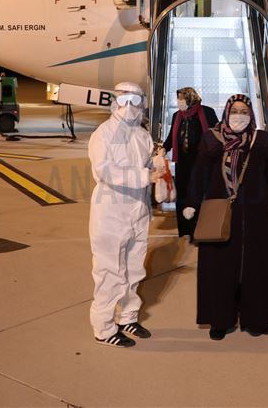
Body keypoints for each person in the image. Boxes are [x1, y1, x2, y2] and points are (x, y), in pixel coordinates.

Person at [183, 94, 268, 340]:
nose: (239, 116)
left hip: (255, 215)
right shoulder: (211, 139)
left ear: (251, 115)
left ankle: (257, 318)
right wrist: (191, 202)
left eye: (244, 111)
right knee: (219, 268)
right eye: (235, 111)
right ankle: (220, 319)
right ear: (226, 112)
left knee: (257, 268)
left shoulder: (260, 139)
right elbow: (199, 173)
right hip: (219, 213)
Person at [88, 81, 163, 348]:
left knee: (134, 269)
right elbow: (104, 171)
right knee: (109, 272)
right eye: (122, 100)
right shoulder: (104, 134)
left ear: (143, 103)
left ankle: (128, 317)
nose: (128, 106)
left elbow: (146, 164)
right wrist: (144, 176)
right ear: (114, 102)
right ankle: (104, 328)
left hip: (138, 212)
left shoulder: (142, 135)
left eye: (134, 100)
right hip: (111, 213)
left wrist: (157, 163)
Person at [161, 87, 218, 241]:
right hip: (182, 162)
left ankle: (198, 230)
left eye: (182, 98)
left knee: (199, 193)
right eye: (178, 98)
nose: (179, 102)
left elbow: (216, 134)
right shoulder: (177, 116)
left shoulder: (207, 112)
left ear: (190, 98)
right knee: (183, 194)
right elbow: (171, 138)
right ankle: (185, 229)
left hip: (202, 162)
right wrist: (164, 148)